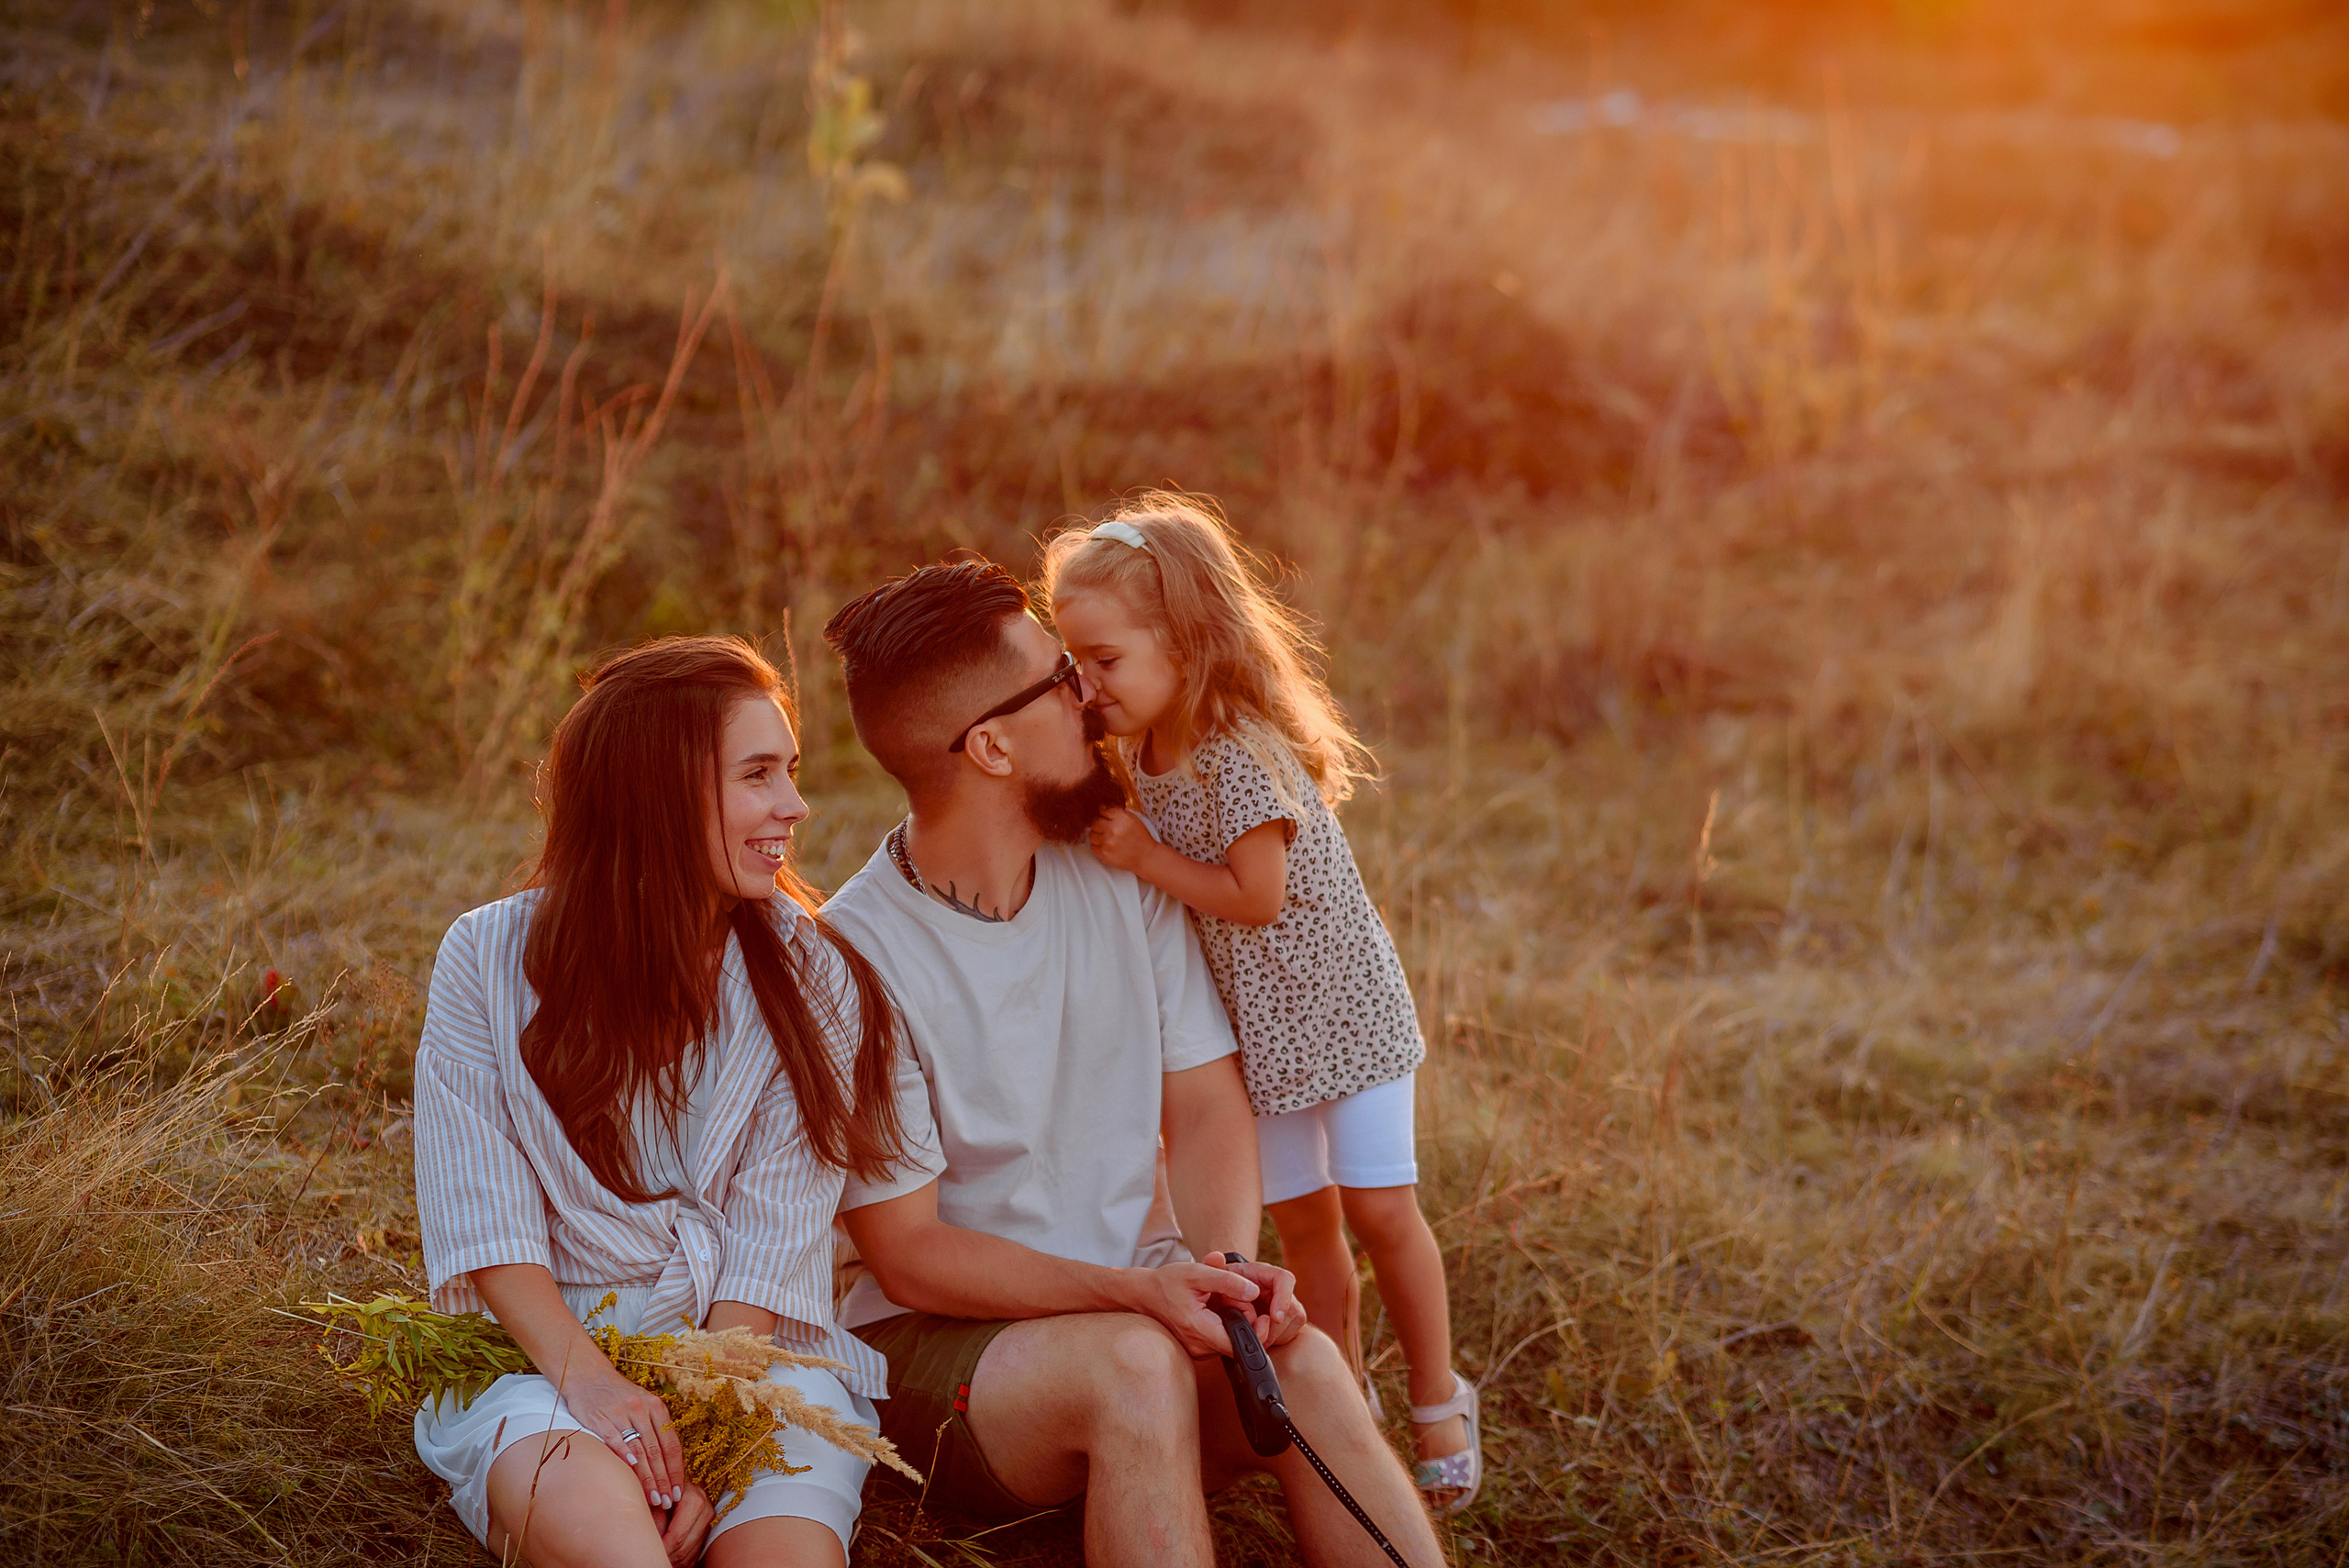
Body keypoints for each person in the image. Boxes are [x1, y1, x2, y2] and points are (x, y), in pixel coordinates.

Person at [819, 561, 1443, 1568]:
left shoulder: (1118, 867)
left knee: (1306, 1359)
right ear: (989, 745)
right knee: (1132, 1366)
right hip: (943, 1355)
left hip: (1141, 1310)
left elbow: (1203, 1103)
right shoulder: (852, 957)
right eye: (1059, 679)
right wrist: (1133, 1295)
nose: (1090, 695)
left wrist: (1229, 1269)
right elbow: (908, 1254)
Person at [411, 636, 909, 1568]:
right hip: (547, 1362)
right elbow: (486, 1224)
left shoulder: (816, 976)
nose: (794, 807)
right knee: (623, 1549)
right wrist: (600, 1394)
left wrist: (712, 1452)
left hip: (754, 1368)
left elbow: (772, 1244)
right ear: (655, 791)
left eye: (790, 771)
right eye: (758, 774)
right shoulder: (484, 958)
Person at [1041, 495, 1484, 1513]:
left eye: (1104, 659)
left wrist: (1147, 857)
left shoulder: (1236, 749)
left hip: (1347, 1018)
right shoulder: (1141, 755)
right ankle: (1346, 1394)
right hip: (1265, 1042)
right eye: (1076, 662)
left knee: (1377, 1209)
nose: (1087, 684)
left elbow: (1257, 894)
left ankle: (1436, 1393)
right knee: (1306, 1232)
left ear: (1185, 645)